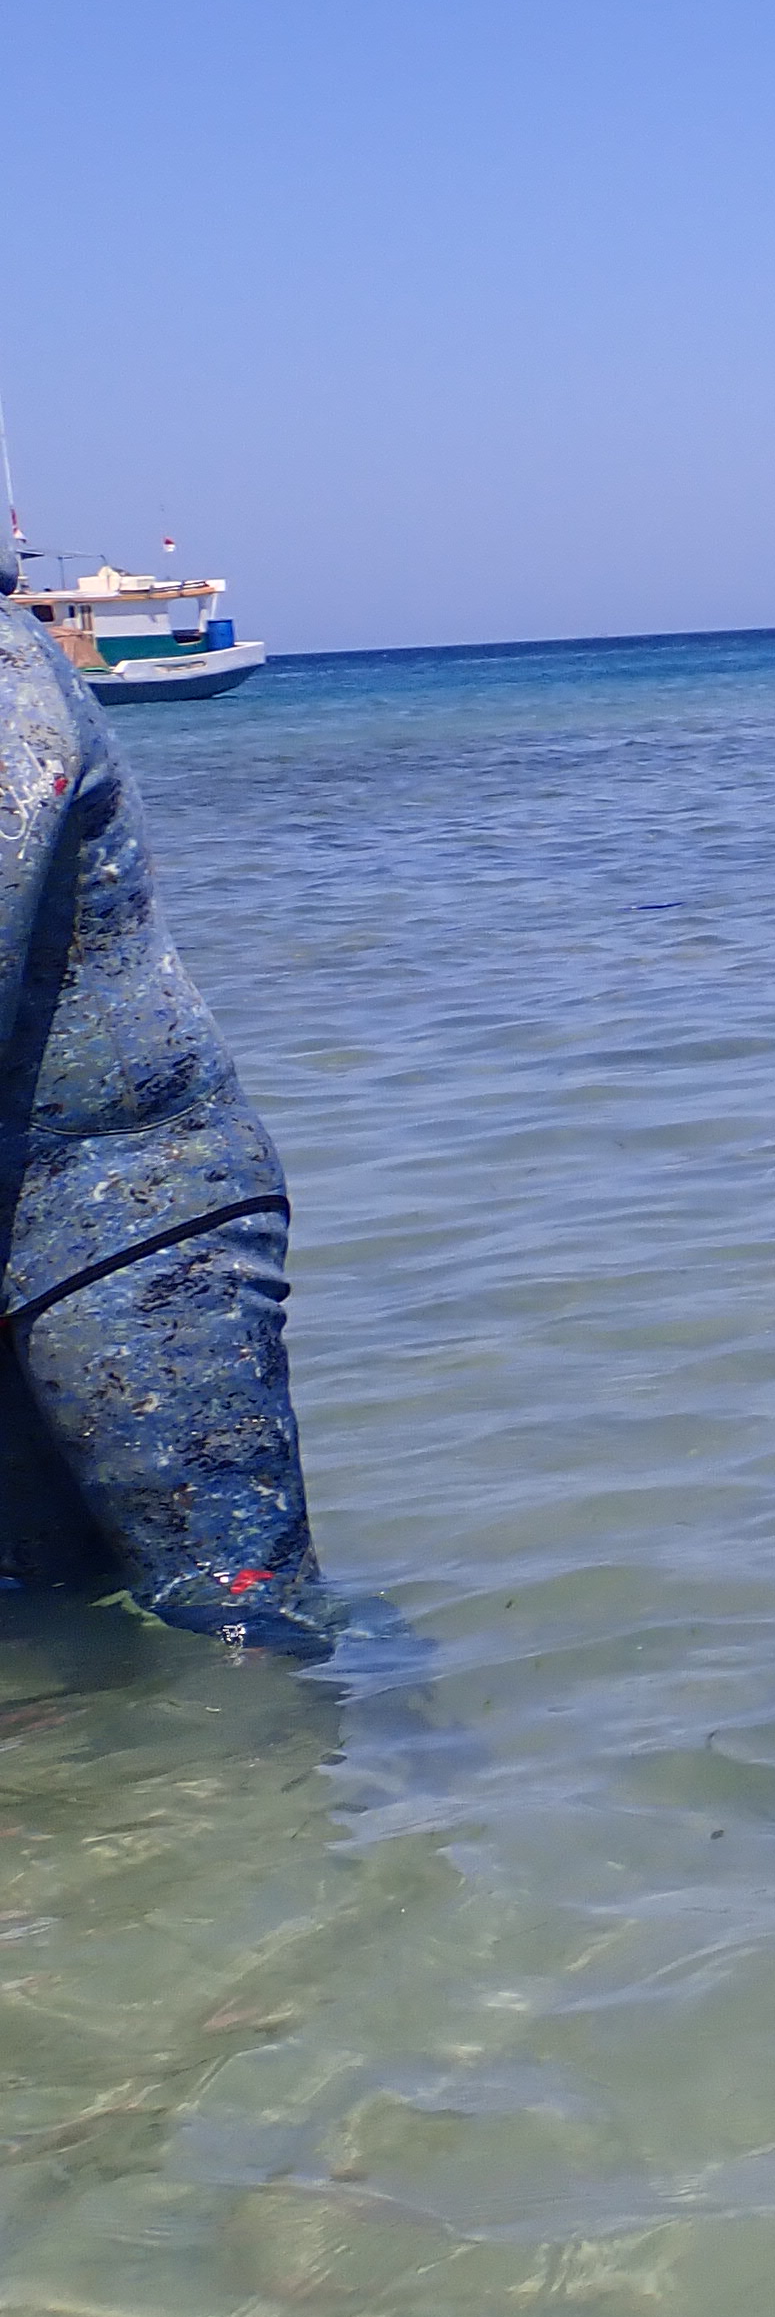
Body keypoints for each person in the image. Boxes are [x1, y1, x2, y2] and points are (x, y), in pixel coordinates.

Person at [0, 589, 337, 1655]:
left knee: (232, 1630)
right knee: (50, 1641)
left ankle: (286, 1802)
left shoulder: (9, 678)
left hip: (121, 1230)